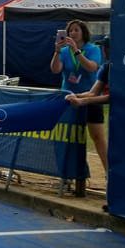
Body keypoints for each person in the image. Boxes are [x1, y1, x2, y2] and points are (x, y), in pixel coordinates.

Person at [50, 20, 106, 174]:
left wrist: (76, 51)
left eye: (76, 30)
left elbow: (92, 67)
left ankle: (109, 173)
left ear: (83, 33)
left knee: (97, 137)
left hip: (90, 97)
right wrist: (56, 52)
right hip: (69, 98)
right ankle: (66, 176)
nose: (72, 33)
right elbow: (55, 70)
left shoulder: (93, 48)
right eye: (70, 31)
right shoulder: (64, 51)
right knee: (67, 137)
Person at [64, 35, 110, 173]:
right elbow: (93, 92)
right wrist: (74, 96)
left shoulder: (122, 67)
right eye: (104, 47)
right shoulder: (107, 67)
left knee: (101, 139)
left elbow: (113, 97)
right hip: (117, 118)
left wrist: (82, 100)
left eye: (106, 47)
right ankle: (110, 176)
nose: (104, 50)